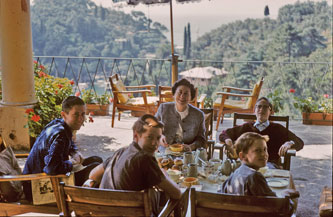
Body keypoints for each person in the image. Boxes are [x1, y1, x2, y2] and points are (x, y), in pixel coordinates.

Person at [83, 114, 181, 216]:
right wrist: (162, 173)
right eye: (149, 137)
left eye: (158, 138)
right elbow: (176, 193)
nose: (154, 144)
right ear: (136, 136)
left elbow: (93, 175)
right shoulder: (146, 159)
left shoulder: (121, 152)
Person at [22, 96, 102, 201]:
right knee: (96, 169)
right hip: (37, 187)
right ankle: (85, 204)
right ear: (64, 115)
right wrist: (72, 163)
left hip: (39, 180)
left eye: (83, 114)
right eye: (76, 114)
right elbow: (52, 169)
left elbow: (69, 144)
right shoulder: (60, 135)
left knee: (96, 160)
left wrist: (74, 152)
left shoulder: (57, 124)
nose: (80, 119)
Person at [221, 132, 298, 213]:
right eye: (258, 151)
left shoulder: (236, 173)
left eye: (265, 149)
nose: (264, 154)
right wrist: (286, 197)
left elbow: (222, 192)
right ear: (242, 156)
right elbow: (278, 207)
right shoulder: (255, 177)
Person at [219, 97, 304, 168]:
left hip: (269, 165)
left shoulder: (278, 129)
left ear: (270, 111)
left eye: (265, 107)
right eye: (259, 107)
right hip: (247, 164)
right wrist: (228, 140)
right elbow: (224, 134)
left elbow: (299, 142)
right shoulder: (246, 127)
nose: (261, 109)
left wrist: (289, 143)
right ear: (254, 110)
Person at [155, 78, 206, 152]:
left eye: (186, 93)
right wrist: (160, 137)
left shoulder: (199, 115)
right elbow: (153, 128)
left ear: (191, 97)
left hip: (188, 153)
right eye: (180, 92)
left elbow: (201, 139)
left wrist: (191, 147)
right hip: (165, 150)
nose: (182, 96)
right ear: (174, 94)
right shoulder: (163, 108)